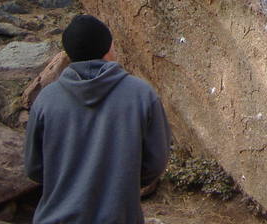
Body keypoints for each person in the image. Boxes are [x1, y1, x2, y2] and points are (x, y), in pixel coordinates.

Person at [25, 14, 171, 224]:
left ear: (69, 53)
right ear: (108, 48)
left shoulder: (46, 100)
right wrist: (122, 180)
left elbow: (34, 168)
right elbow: (155, 162)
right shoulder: (141, 95)